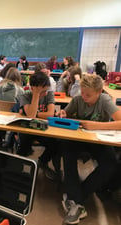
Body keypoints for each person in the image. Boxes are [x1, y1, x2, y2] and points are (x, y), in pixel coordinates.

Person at [57, 74, 121, 224]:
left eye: (89, 95)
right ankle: (76, 199)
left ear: (99, 92)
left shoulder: (104, 100)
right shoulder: (78, 99)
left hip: (98, 140)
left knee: (110, 164)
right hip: (79, 138)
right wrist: (63, 114)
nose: (84, 97)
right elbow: (67, 113)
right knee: (67, 150)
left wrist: (96, 125)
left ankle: (76, 196)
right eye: (82, 92)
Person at [17, 71, 60, 181]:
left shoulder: (49, 94)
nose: (45, 93)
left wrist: (33, 113)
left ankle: (43, 161)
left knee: (56, 143)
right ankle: (19, 166)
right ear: (32, 88)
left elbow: (50, 114)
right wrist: (36, 95)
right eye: (42, 91)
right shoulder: (25, 95)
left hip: (45, 129)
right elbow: (31, 116)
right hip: (28, 130)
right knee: (23, 139)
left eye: (45, 90)